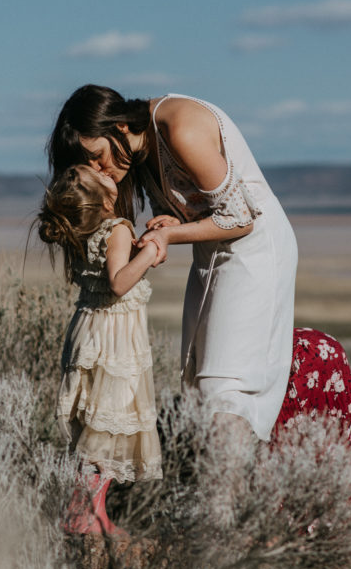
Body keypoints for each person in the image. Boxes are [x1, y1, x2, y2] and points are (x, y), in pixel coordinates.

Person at [48, 85, 297, 443]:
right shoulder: (140, 150)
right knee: (197, 383)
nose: (101, 171)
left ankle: (229, 480)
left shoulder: (180, 129)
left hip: (255, 250)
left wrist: (168, 235)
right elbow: (200, 206)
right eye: (89, 166)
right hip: (212, 253)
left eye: (98, 156)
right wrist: (174, 221)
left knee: (225, 386)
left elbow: (243, 218)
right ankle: (222, 476)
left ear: (119, 126)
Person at [36, 164, 164, 535]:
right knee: (108, 427)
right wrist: (151, 251)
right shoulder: (117, 229)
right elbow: (119, 283)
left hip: (87, 331)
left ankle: (94, 512)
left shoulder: (80, 229)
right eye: (99, 175)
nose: (103, 168)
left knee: (93, 426)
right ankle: (82, 515)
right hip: (114, 339)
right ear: (105, 200)